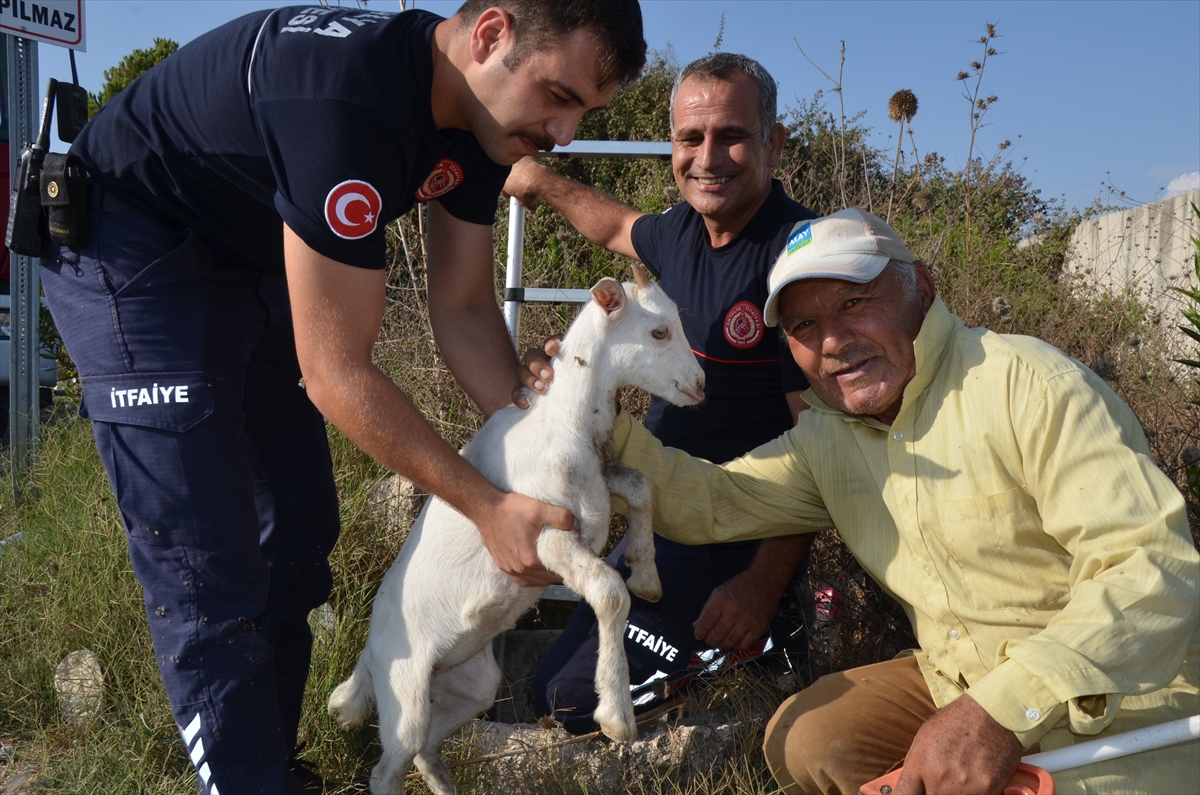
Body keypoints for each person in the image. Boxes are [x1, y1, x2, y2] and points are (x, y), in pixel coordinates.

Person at [38, 2, 645, 793]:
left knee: (294, 533)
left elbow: (461, 308)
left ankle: (268, 767)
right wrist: (489, 508)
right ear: (491, 35)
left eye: (585, 114)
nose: (564, 135)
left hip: (247, 254)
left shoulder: (485, 118)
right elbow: (333, 372)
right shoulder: (349, 100)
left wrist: (545, 430)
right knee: (206, 567)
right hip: (134, 243)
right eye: (559, 97)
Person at [529, 207, 1200, 794]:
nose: (832, 341)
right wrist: (594, 419)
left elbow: (1152, 569)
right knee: (811, 737)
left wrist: (1002, 710)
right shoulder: (830, 437)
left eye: (854, 303)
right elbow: (713, 500)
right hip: (956, 678)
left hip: (1123, 697)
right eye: (804, 324)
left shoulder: (1028, 383)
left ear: (922, 289)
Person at [503, 52, 819, 734]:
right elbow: (616, 224)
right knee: (544, 688)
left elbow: (825, 452)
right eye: (689, 138)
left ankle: (774, 639)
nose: (708, 157)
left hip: (744, 541)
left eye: (731, 135)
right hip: (662, 530)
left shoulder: (800, 261)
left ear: (774, 141)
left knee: (576, 705)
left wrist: (760, 587)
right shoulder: (679, 231)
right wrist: (538, 179)